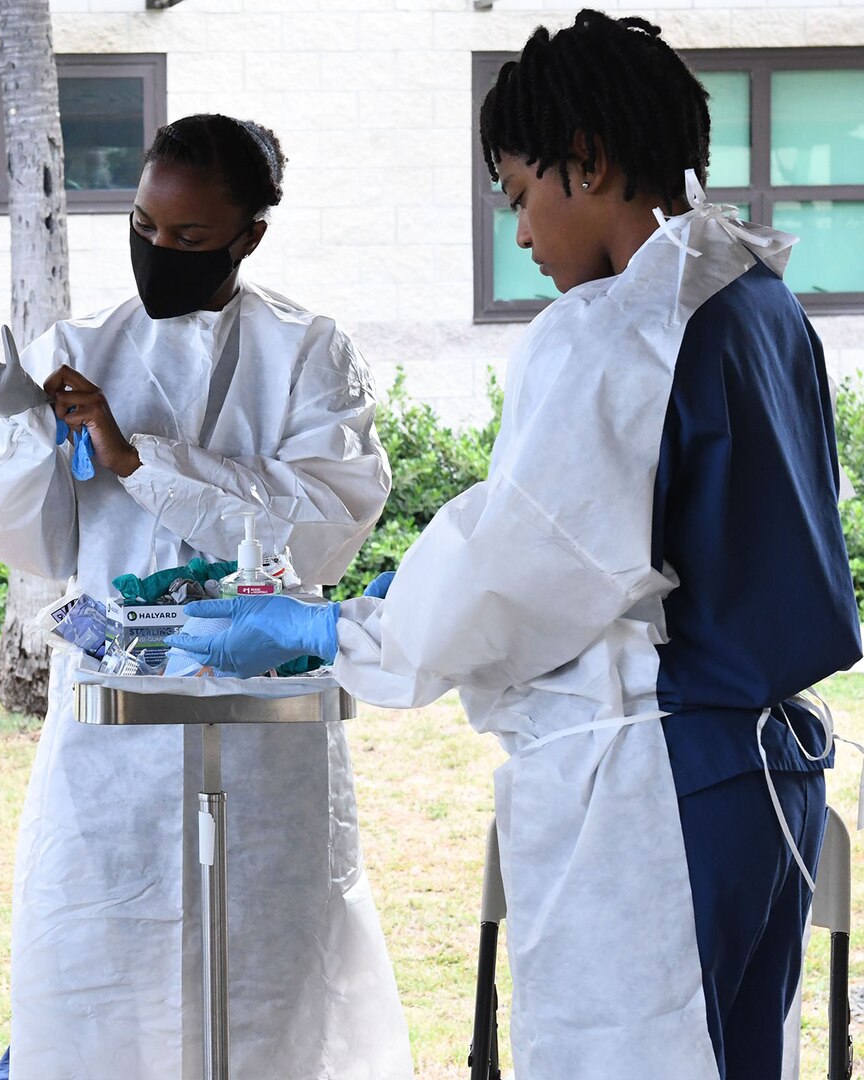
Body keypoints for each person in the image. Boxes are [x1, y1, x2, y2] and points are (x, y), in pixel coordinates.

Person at [169, 13, 861, 1080]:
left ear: (586, 161)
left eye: (517, 193)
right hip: (759, 778)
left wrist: (333, 628)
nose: (523, 235)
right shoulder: (757, 301)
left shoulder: (620, 327)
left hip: (653, 780)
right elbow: (645, 533)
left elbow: (515, 572)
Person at [0, 114, 413, 1080]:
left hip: (265, 729)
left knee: (268, 978)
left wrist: (136, 456)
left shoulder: (312, 355)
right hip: (114, 746)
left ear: (249, 235)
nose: (160, 252)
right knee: (105, 977)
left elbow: (320, 524)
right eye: (145, 227)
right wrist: (23, 426)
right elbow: (37, 541)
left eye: (189, 239)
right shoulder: (82, 346)